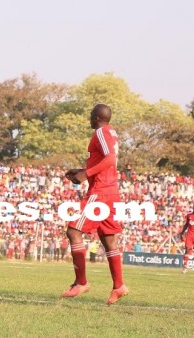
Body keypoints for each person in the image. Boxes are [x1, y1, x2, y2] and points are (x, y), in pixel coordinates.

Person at [61, 103, 129, 305]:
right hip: (111, 191)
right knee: (109, 240)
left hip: (100, 192)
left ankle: (81, 282)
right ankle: (119, 286)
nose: (89, 119)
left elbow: (109, 159)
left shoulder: (101, 132)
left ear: (97, 117)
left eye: (91, 115)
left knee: (74, 231)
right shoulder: (111, 133)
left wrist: (85, 174)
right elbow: (106, 161)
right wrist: (82, 169)